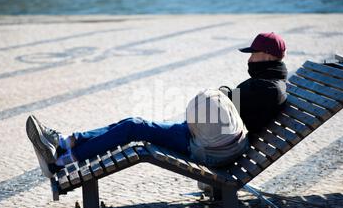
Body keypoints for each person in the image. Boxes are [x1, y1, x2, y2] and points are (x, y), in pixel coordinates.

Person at [26, 32, 288, 178]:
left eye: (253, 54)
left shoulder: (266, 88)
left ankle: (63, 157)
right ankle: (65, 145)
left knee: (133, 126)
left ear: (266, 55)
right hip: (204, 137)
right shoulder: (268, 83)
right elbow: (231, 107)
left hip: (206, 147)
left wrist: (223, 96)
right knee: (131, 125)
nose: (250, 59)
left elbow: (233, 112)